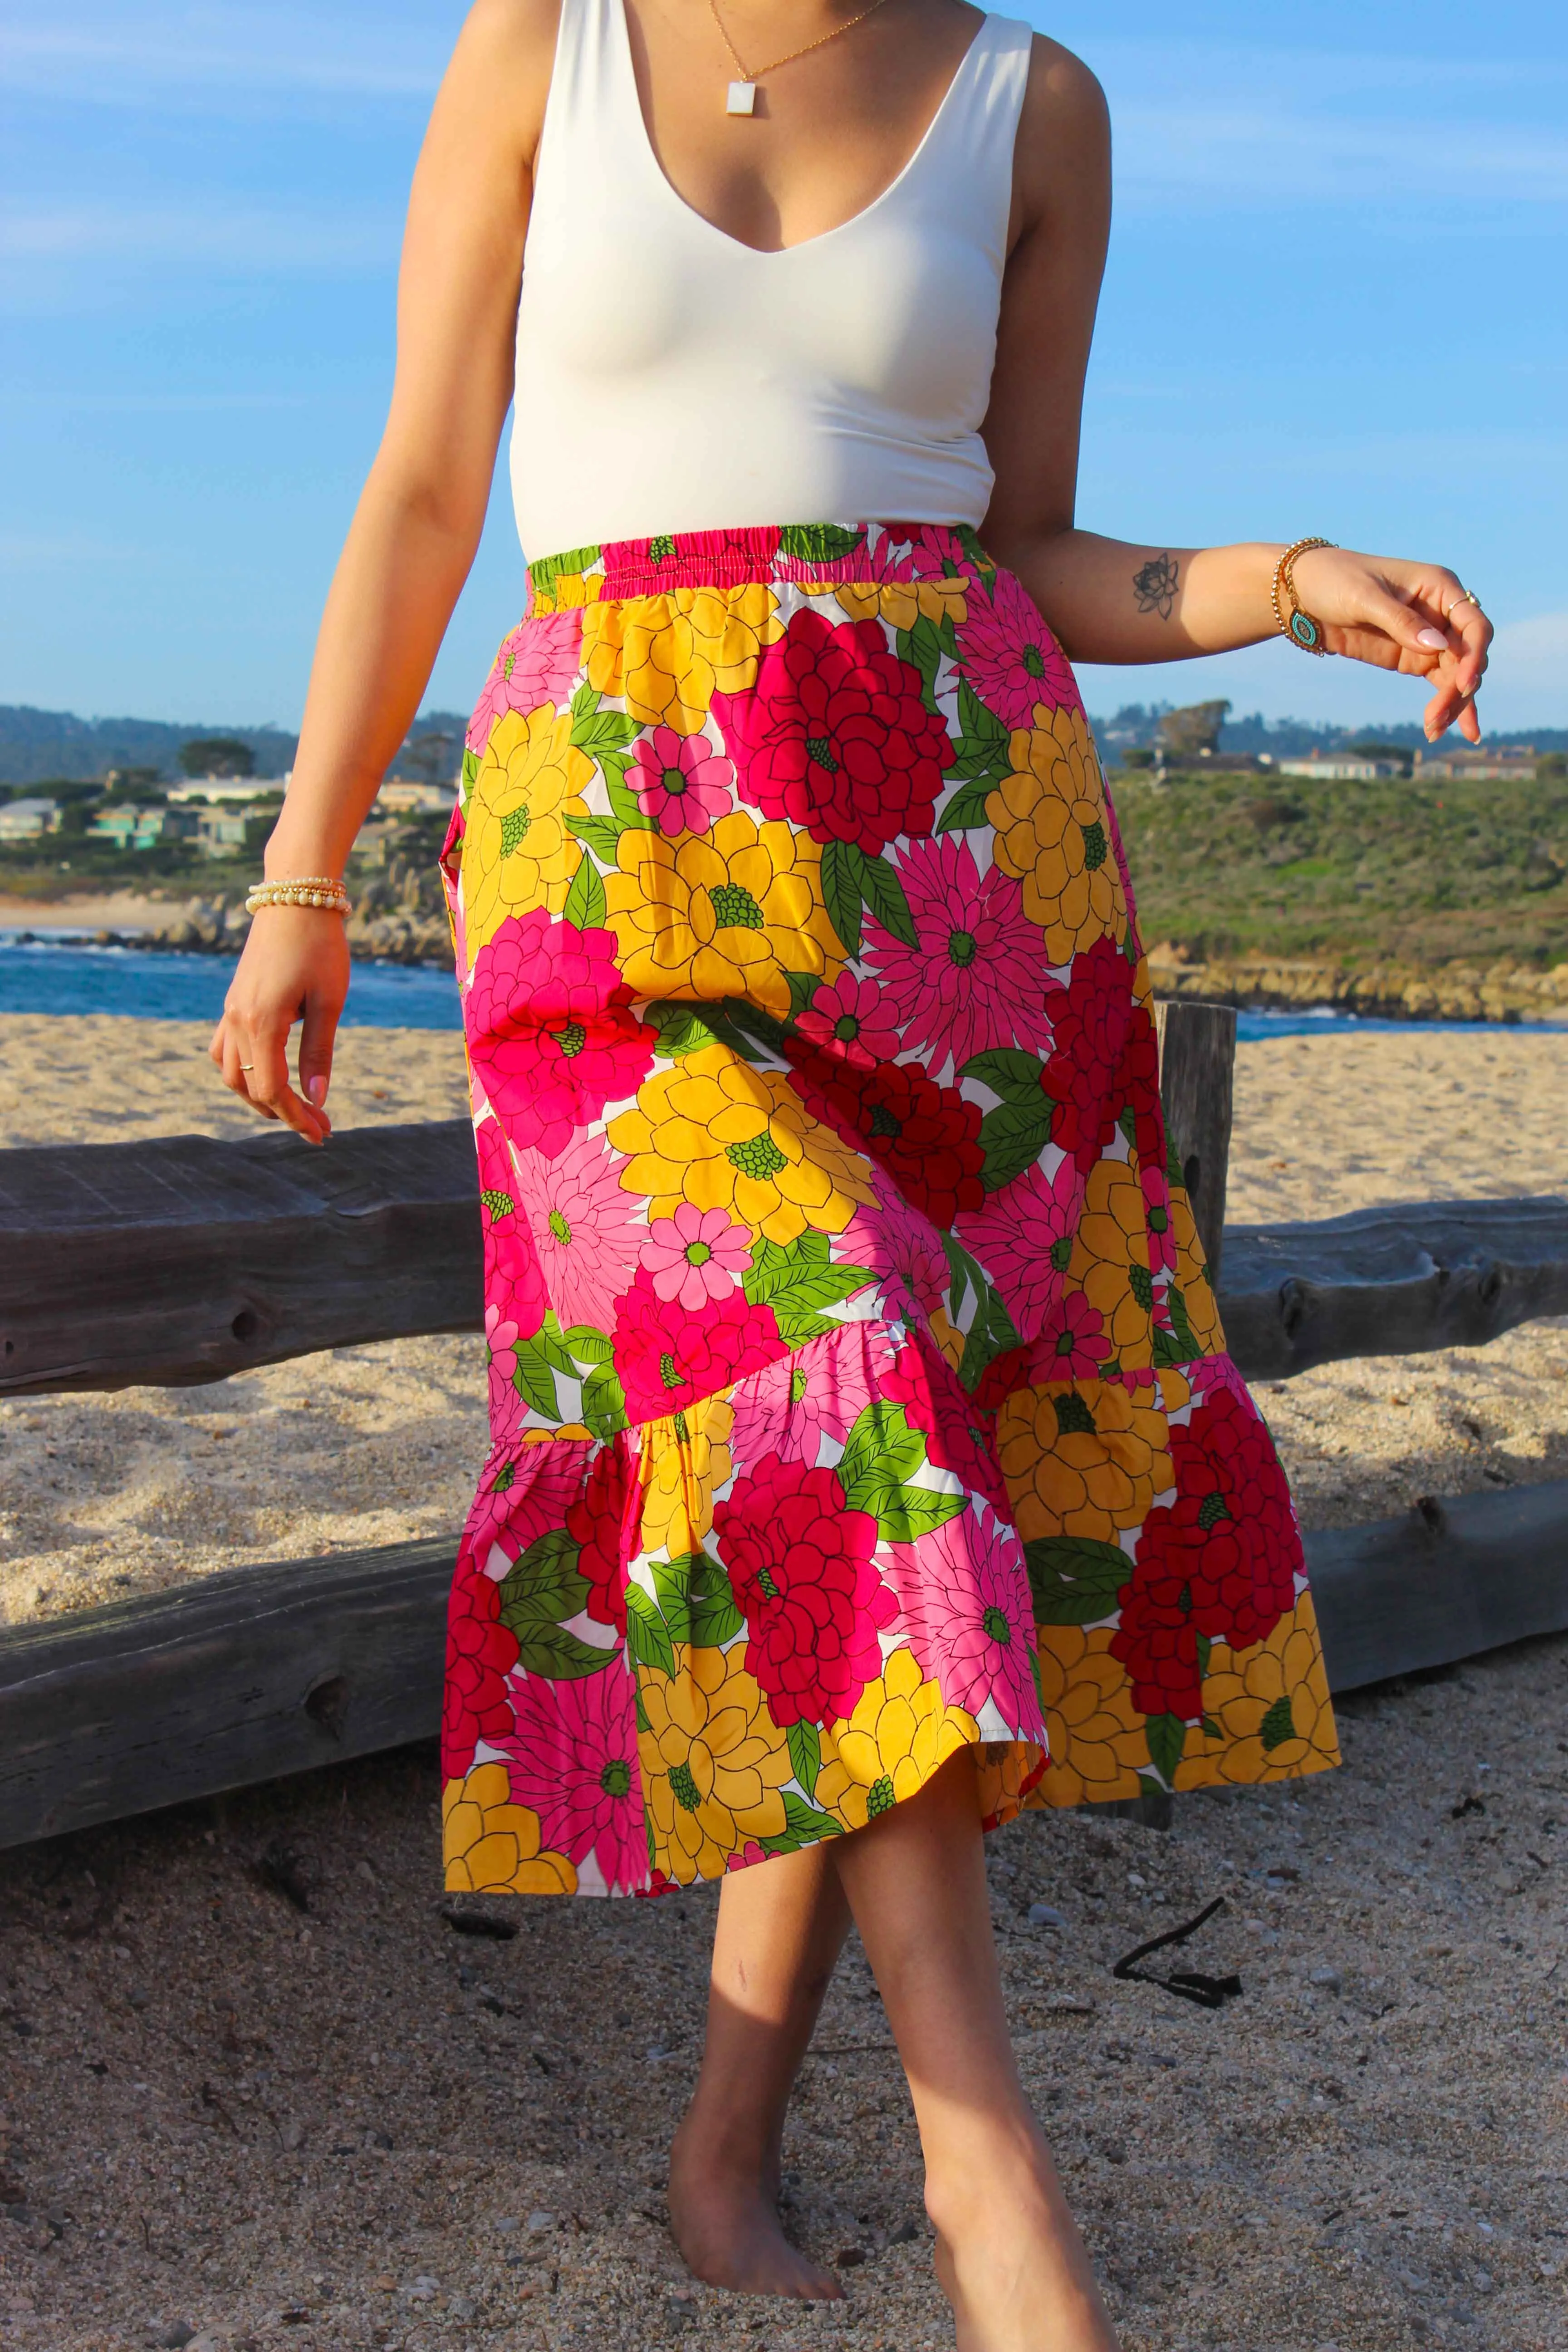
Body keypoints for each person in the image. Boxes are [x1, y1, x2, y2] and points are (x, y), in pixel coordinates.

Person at [211, 1, 1492, 2341]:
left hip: (951, 879)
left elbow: (1026, 553)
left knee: (859, 1464)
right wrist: (305, 879)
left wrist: (1288, 579)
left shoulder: (1039, 104)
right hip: (611, 859)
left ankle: (719, 2157)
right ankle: (992, 2186)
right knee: (830, 1360)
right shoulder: (544, 47)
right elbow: (421, 489)